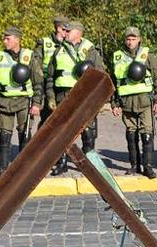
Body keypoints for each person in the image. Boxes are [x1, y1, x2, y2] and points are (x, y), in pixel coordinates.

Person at [46, 21, 104, 175]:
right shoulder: (58, 51)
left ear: (78, 33)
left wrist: (97, 99)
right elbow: (50, 77)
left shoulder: (91, 51)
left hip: (85, 96)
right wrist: (51, 97)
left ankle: (89, 164)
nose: (64, 34)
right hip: (63, 96)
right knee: (62, 131)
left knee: (87, 130)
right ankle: (62, 162)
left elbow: (101, 74)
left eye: (68, 31)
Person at [0, 26, 43, 179]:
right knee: (4, 135)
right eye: (4, 38)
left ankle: (25, 169)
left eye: (8, 38)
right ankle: (2, 170)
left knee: (24, 134)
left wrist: (37, 104)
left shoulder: (30, 56)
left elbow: (38, 81)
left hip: (24, 101)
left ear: (17, 39)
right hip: (4, 102)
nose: (4, 41)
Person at [110, 27, 157, 178]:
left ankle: (148, 166)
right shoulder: (118, 56)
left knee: (147, 134)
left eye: (133, 39)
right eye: (128, 39)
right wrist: (114, 104)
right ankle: (134, 165)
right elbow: (114, 82)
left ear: (139, 39)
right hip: (126, 102)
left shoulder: (147, 55)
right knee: (131, 135)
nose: (130, 42)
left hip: (145, 100)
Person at [34, 16, 70, 129]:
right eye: (65, 30)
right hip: (46, 83)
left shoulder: (69, 43)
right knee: (46, 116)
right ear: (58, 28)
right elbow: (36, 64)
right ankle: (41, 143)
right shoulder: (44, 42)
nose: (67, 33)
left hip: (61, 84)